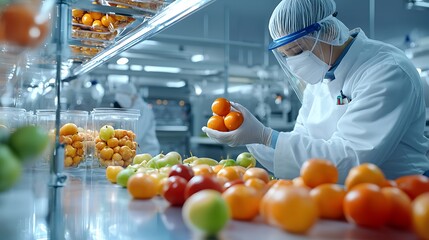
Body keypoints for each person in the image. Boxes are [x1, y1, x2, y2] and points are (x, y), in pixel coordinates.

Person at [202, 0, 429, 183]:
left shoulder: (386, 70)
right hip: (339, 195)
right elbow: (303, 143)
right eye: (286, 55)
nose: (294, 63)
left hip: (398, 194)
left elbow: (350, 159)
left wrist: (266, 136)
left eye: (298, 50)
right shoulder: (319, 77)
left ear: (328, 32)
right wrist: (253, 137)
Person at [113, 83, 160, 156]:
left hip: (148, 152)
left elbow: (137, 135)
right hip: (135, 152)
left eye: (122, 99)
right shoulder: (129, 109)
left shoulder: (144, 109)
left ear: (132, 96)